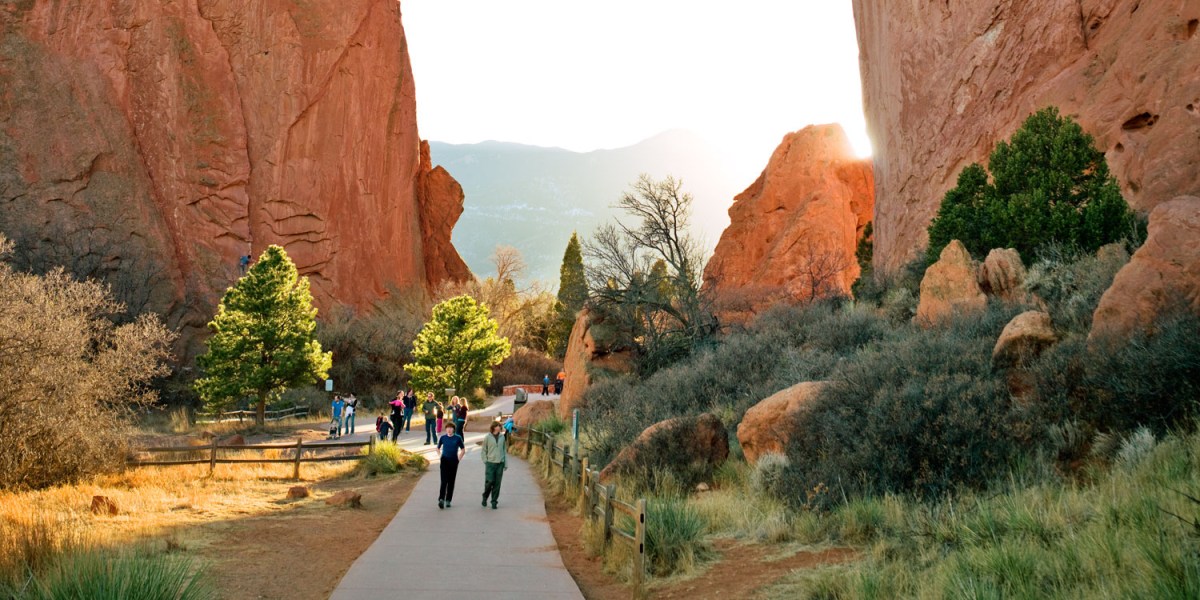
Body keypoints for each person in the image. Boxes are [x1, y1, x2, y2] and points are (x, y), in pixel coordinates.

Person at [437, 422, 465, 509]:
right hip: (444, 460)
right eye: (447, 428)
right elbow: (437, 448)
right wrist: (440, 456)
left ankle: (448, 500)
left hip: (453, 461)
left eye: (451, 428)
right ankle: (441, 499)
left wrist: (458, 459)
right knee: (444, 481)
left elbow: (463, 449)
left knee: (451, 481)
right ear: (446, 429)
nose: (449, 430)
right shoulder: (443, 438)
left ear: (453, 429)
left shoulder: (457, 438)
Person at [481, 422, 507, 509]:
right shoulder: (487, 437)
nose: (499, 427)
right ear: (493, 427)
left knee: (497, 483)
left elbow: (504, 450)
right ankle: (485, 496)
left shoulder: (502, 437)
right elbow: (484, 450)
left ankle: (494, 501)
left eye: (499, 426)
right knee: (490, 481)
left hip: (500, 463)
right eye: (497, 426)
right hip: (490, 463)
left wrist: (505, 463)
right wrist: (486, 460)